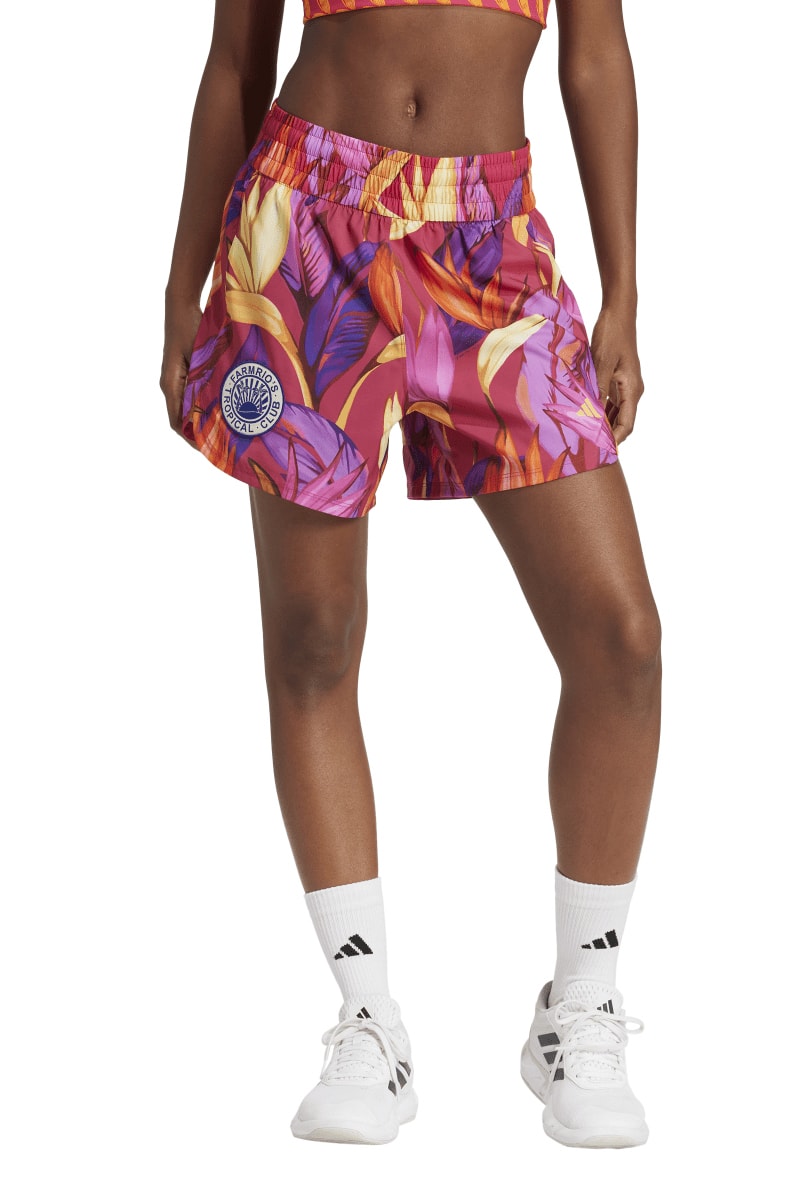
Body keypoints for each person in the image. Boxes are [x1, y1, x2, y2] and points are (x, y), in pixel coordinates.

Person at [160, 0, 660, 1151]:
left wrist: (622, 290)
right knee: (313, 637)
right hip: (304, 225)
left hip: (489, 245)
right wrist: (183, 285)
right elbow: (235, 60)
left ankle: (580, 1007)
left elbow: (594, 54)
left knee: (619, 640)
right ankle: (365, 1020)